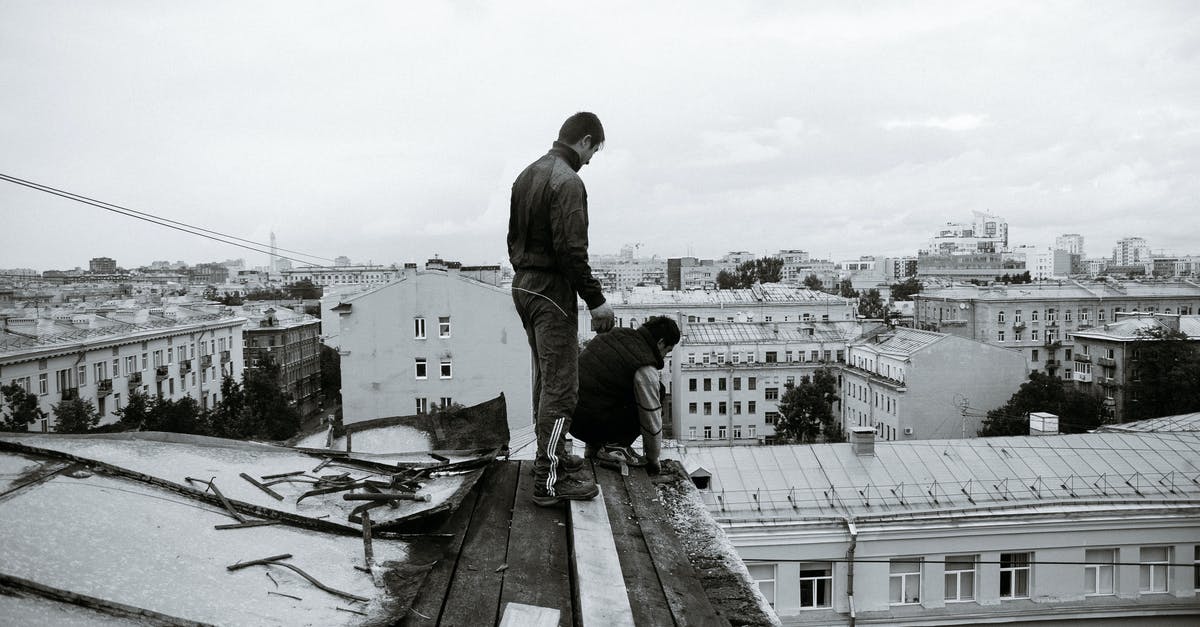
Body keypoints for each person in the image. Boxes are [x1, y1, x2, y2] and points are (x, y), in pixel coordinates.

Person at [508, 111, 615, 507]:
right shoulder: (568, 182)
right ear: (585, 141)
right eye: (593, 152)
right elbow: (572, 250)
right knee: (562, 387)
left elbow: (512, 237)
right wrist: (596, 300)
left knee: (545, 379)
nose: (590, 161)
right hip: (552, 290)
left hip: (523, 284)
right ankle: (548, 479)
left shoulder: (527, 174)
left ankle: (553, 457)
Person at [571, 316, 679, 475]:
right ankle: (615, 447)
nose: (664, 356)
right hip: (590, 423)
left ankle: (596, 449)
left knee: (609, 390)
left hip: (571, 414)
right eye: (667, 351)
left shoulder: (616, 334)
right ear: (660, 343)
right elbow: (651, 418)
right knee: (658, 391)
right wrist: (653, 460)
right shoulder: (644, 366)